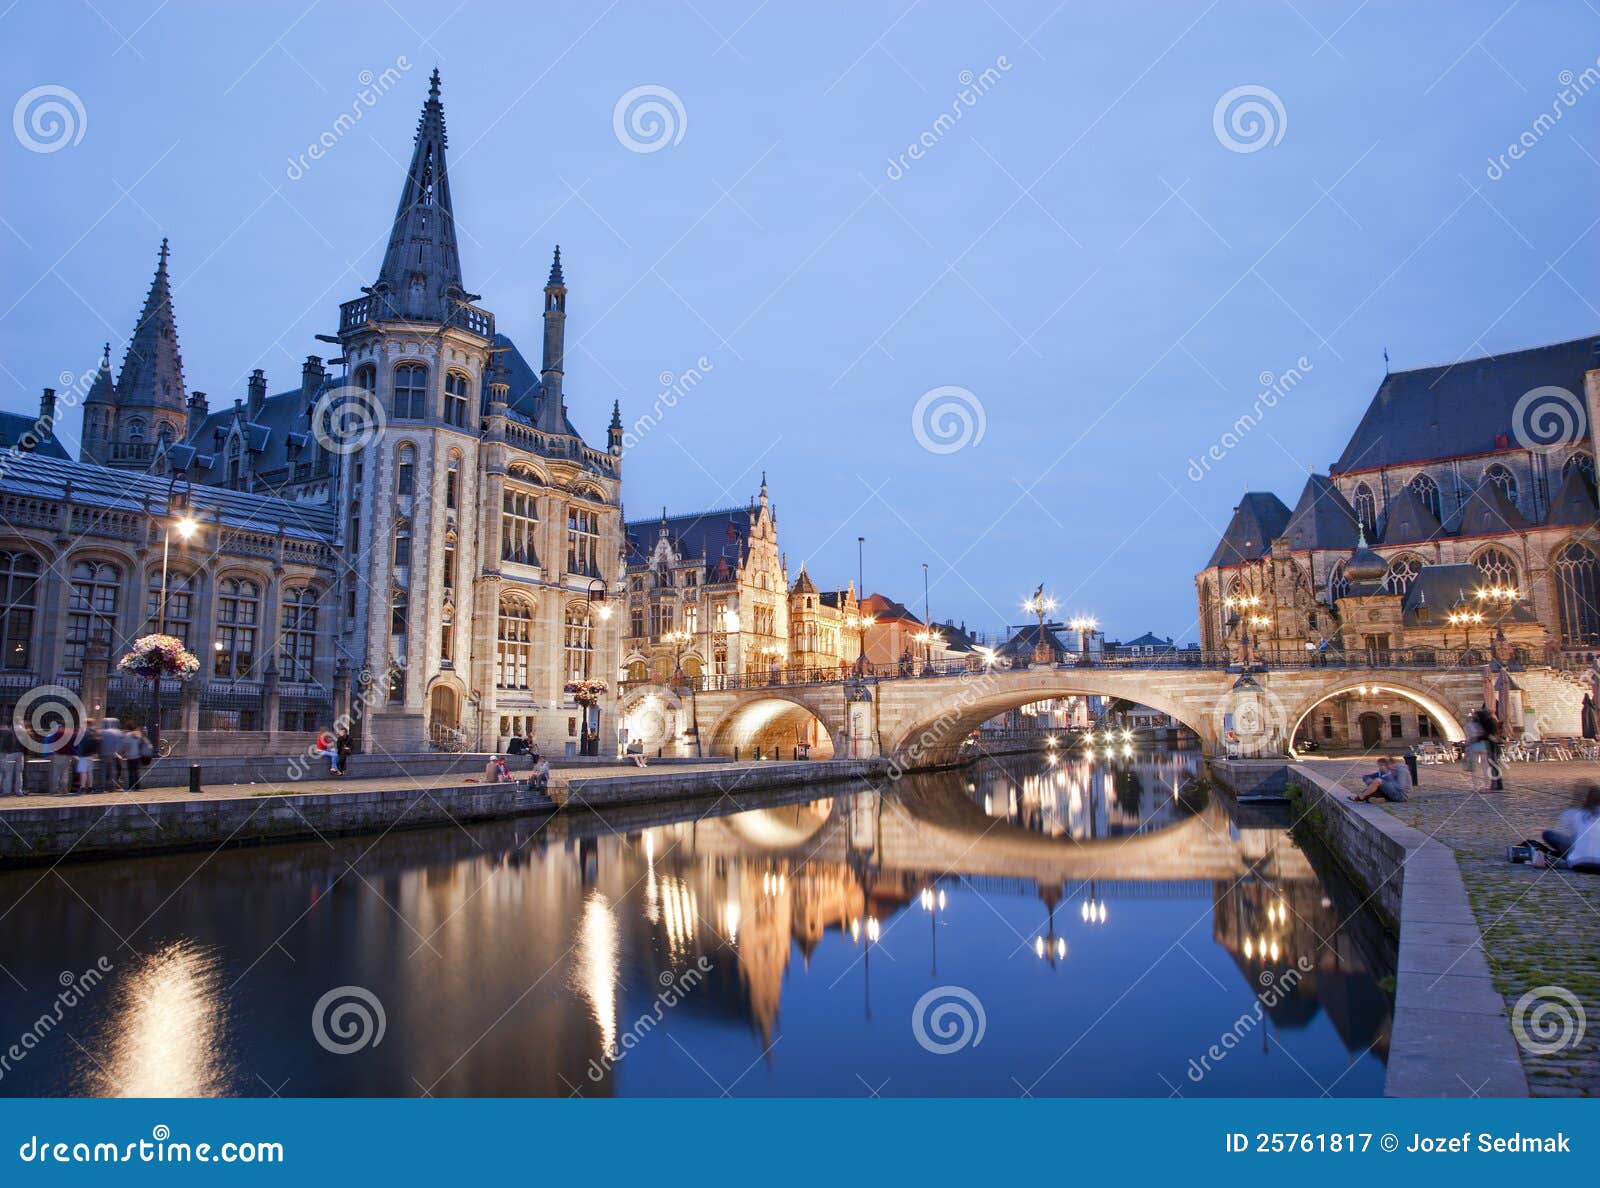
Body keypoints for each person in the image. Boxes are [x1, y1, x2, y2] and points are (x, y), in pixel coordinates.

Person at [1542, 783, 1600, 872]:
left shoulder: (1575, 813)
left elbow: (1565, 832)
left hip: (1577, 863)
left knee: (1548, 834)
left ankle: (1567, 860)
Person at [1464, 709, 1492, 792]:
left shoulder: (1468, 726)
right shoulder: (1481, 725)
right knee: (1485, 767)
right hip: (1483, 746)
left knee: (1474, 768)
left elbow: (1468, 738)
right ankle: (1487, 785)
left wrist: (1467, 748)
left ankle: (1475, 786)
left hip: (1473, 747)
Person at [45, 723, 72, 795]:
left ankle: (54, 790)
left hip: (57, 756)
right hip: (66, 756)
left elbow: (52, 746)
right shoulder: (67, 735)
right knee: (64, 774)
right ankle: (64, 789)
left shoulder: (55, 735)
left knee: (56, 773)